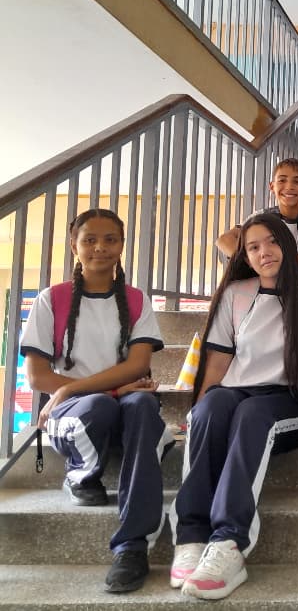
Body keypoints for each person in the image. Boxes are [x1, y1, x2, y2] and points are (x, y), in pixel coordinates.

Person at [171, 212, 298, 599]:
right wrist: (197, 414)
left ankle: (229, 542)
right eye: (253, 247)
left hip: (285, 401)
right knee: (210, 409)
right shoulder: (235, 293)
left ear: (290, 244)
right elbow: (217, 364)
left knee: (252, 415)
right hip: (235, 393)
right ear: (245, 257)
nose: (265, 252)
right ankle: (191, 535)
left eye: (272, 241)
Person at [22, 208, 167, 593]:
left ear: (121, 246)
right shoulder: (51, 299)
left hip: (120, 408)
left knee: (143, 406)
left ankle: (133, 546)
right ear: (74, 246)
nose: (100, 247)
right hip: (73, 416)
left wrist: (75, 387)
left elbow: (138, 365)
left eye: (110, 239)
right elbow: (38, 377)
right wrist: (99, 392)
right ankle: (80, 475)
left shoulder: (136, 300)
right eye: (89, 240)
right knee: (102, 405)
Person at [215, 159, 298, 272]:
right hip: (265, 277)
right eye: (282, 180)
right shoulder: (262, 216)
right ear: (272, 186)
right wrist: (252, 262)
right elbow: (224, 240)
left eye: (297, 181)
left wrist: (291, 264)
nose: (289, 187)